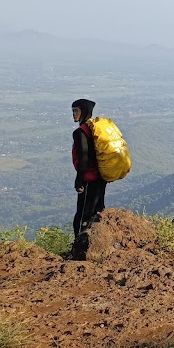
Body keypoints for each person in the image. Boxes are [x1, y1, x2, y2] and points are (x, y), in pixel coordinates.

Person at [70, 98, 105, 260]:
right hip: (100, 177)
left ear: (83, 112)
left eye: (76, 111)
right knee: (98, 211)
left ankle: (79, 252)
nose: (73, 115)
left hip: (88, 179)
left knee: (83, 216)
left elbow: (83, 159)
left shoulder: (81, 132)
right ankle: (98, 249)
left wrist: (79, 181)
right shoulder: (95, 129)